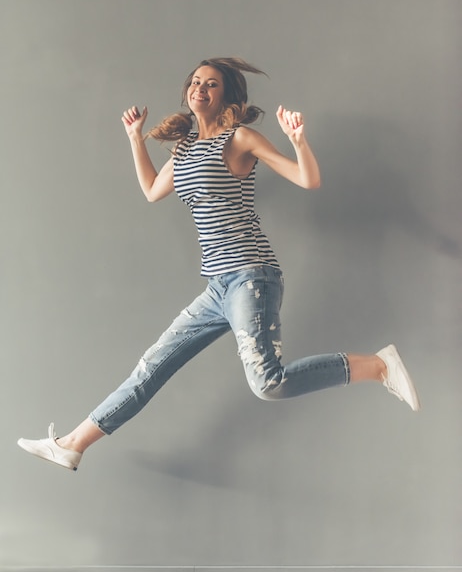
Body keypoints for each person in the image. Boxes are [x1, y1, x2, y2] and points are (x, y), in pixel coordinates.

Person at [18, 57, 421, 472]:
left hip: (252, 276)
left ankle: (378, 365)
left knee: (268, 384)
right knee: (150, 369)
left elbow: (307, 180)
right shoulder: (186, 148)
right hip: (218, 287)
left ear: (227, 94)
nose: (200, 89)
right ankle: (72, 444)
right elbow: (153, 190)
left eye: (211, 84)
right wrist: (135, 138)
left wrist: (299, 141)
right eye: (195, 82)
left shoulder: (240, 139)